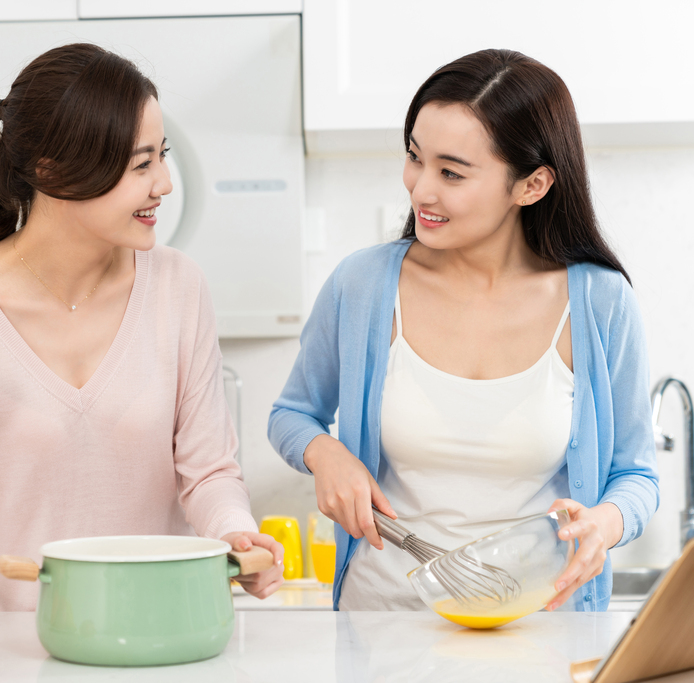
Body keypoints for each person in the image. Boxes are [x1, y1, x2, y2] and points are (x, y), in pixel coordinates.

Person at [0, 43, 283, 611]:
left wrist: (233, 532)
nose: (165, 184)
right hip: (11, 657)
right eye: (140, 164)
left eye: (163, 155)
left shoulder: (179, 286)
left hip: (161, 635)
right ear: (53, 171)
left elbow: (207, 473)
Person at [268, 49, 658, 611]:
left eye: (451, 172)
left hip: (538, 627)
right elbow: (291, 415)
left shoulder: (598, 302)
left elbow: (636, 475)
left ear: (532, 185)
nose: (421, 189)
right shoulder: (363, 285)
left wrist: (605, 523)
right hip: (380, 626)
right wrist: (323, 452)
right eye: (414, 158)